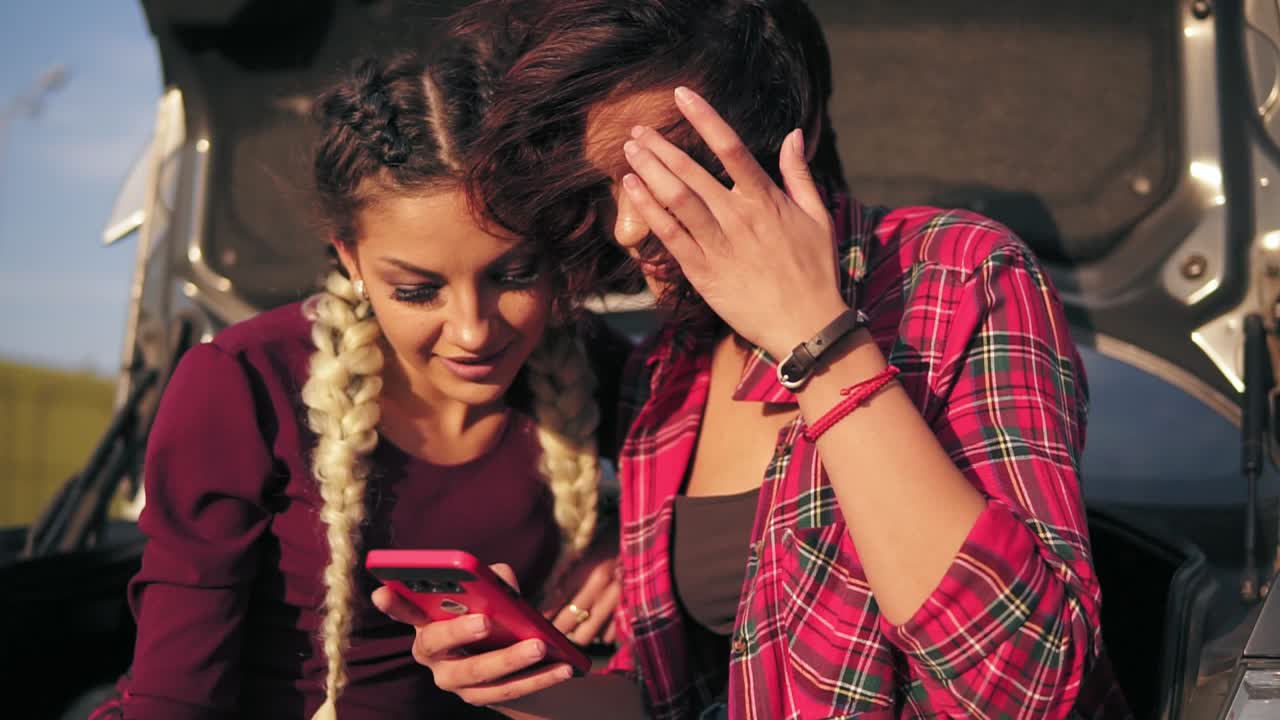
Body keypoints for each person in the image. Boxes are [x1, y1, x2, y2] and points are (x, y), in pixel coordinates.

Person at [377, 1, 1134, 718]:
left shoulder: (953, 274)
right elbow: (679, 701)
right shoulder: (670, 371)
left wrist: (816, 336)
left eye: (670, 174)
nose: (632, 226)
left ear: (780, 136)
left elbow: (1026, 687)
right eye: (605, 187)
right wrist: (525, 690)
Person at [87, 45, 630, 720]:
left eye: (513, 275)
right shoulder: (242, 387)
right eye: (417, 290)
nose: (472, 331)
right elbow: (174, 697)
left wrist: (627, 544)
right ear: (350, 258)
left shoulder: (589, 363)